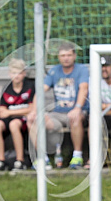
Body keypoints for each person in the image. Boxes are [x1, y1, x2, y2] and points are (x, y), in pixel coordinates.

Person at [27, 41, 89, 169]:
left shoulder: (82, 70)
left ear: (74, 56)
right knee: (32, 120)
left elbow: (84, 88)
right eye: (63, 55)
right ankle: (42, 158)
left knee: (75, 117)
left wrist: (77, 108)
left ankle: (77, 156)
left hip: (76, 111)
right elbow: (40, 92)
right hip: (57, 114)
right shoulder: (54, 71)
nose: (66, 58)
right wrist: (33, 111)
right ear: (59, 57)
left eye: (68, 55)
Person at [0, 58, 34, 172]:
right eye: (14, 73)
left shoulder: (30, 86)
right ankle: (1, 161)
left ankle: (20, 161)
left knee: (14, 124)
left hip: (23, 119)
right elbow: (2, 112)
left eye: (19, 73)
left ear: (24, 74)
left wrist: (10, 112)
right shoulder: (7, 88)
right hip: (9, 119)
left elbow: (30, 109)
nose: (17, 76)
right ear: (10, 74)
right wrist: (15, 111)